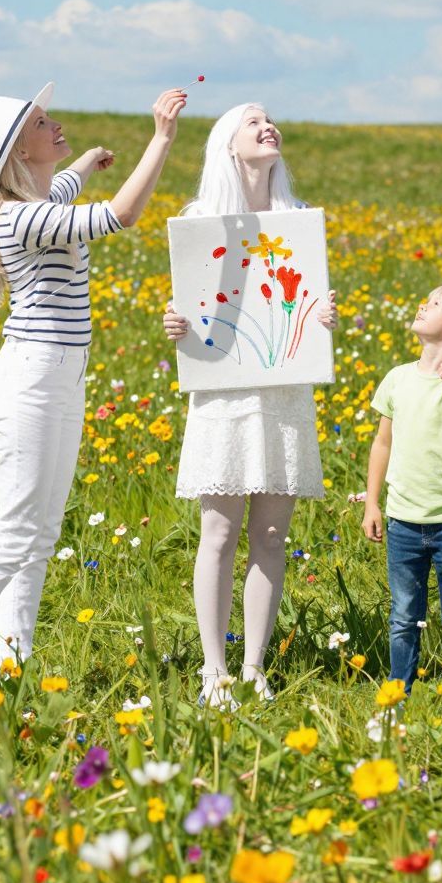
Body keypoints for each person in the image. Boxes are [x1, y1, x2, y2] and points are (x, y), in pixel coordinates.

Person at [0, 82, 187, 681]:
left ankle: (9, 662)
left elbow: (64, 184)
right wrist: (161, 137)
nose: (55, 125)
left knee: (40, 533)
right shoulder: (24, 218)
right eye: (42, 124)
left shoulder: (39, 196)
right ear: (20, 152)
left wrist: (86, 161)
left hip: (62, 376)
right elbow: (121, 215)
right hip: (33, 378)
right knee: (16, 528)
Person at [163, 103, 337, 705]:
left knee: (270, 533)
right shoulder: (202, 222)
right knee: (219, 530)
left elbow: (306, 305)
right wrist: (176, 323)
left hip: (284, 393)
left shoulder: (298, 223)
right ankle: (214, 669)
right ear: (229, 145)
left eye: (271, 119)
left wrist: (323, 317)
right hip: (224, 393)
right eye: (252, 121)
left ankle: (254, 666)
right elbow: (195, 307)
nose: (268, 126)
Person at [362, 285, 442, 706]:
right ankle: (398, 689)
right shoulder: (397, 379)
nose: (422, 304)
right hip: (402, 518)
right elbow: (381, 444)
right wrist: (371, 501)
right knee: (403, 615)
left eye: (434, 304)